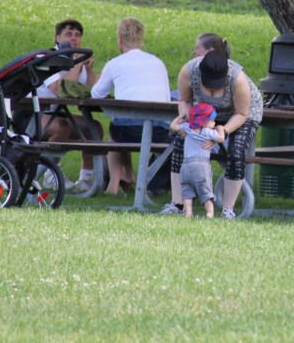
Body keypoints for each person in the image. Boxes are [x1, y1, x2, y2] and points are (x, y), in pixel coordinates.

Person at [162, 44, 263, 219]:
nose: (213, 90)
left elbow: (242, 113)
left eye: (217, 85)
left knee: (236, 150)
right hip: (204, 114)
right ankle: (177, 204)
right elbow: (185, 99)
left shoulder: (238, 79)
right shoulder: (189, 71)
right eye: (208, 85)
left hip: (240, 113)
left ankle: (227, 210)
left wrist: (222, 131)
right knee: (180, 142)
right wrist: (185, 117)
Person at [91, 17, 172, 195]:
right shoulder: (158, 63)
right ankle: (129, 176)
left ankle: (113, 184)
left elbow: (96, 95)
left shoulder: (115, 64)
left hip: (128, 130)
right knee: (121, 124)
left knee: (116, 131)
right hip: (159, 131)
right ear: (141, 40)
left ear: (120, 41)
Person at [36, 19, 103, 190]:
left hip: (58, 114)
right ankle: (51, 175)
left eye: (77, 35)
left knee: (94, 128)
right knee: (61, 128)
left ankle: (86, 180)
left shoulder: (76, 60)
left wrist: (88, 69)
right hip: (31, 114)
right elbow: (60, 90)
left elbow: (94, 92)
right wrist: (78, 64)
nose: (74, 38)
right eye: (68, 34)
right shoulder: (47, 57)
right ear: (58, 38)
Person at [171, 102, 224, 218]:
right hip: (201, 166)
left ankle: (188, 213)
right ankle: (210, 213)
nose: (214, 123)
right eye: (213, 120)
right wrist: (220, 129)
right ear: (204, 121)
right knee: (205, 190)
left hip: (185, 166)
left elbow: (173, 126)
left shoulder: (187, 128)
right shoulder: (207, 132)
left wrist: (180, 117)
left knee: (187, 190)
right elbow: (220, 138)